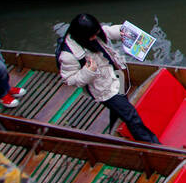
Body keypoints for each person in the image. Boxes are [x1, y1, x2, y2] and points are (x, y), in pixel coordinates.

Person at [56, 13, 159, 144]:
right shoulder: (68, 55)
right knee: (131, 115)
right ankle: (152, 144)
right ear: (81, 36)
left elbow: (110, 31)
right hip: (104, 89)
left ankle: (113, 129)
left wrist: (126, 32)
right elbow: (69, 79)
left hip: (117, 75)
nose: (95, 37)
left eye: (96, 32)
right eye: (91, 36)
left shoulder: (94, 33)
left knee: (121, 104)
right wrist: (88, 71)